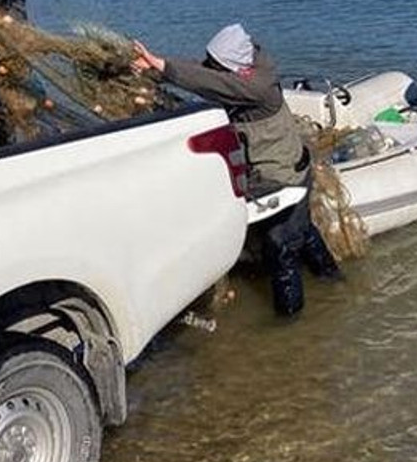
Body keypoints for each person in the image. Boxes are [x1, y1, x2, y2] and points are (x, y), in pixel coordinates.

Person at [132, 23, 340, 317]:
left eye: (219, 66)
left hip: (284, 175)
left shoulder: (256, 87)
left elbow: (213, 83)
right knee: (302, 230)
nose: (213, 69)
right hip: (281, 166)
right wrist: (157, 66)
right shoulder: (247, 63)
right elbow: (206, 73)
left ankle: (291, 325)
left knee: (280, 247)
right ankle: (333, 280)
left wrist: (163, 66)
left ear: (238, 69)